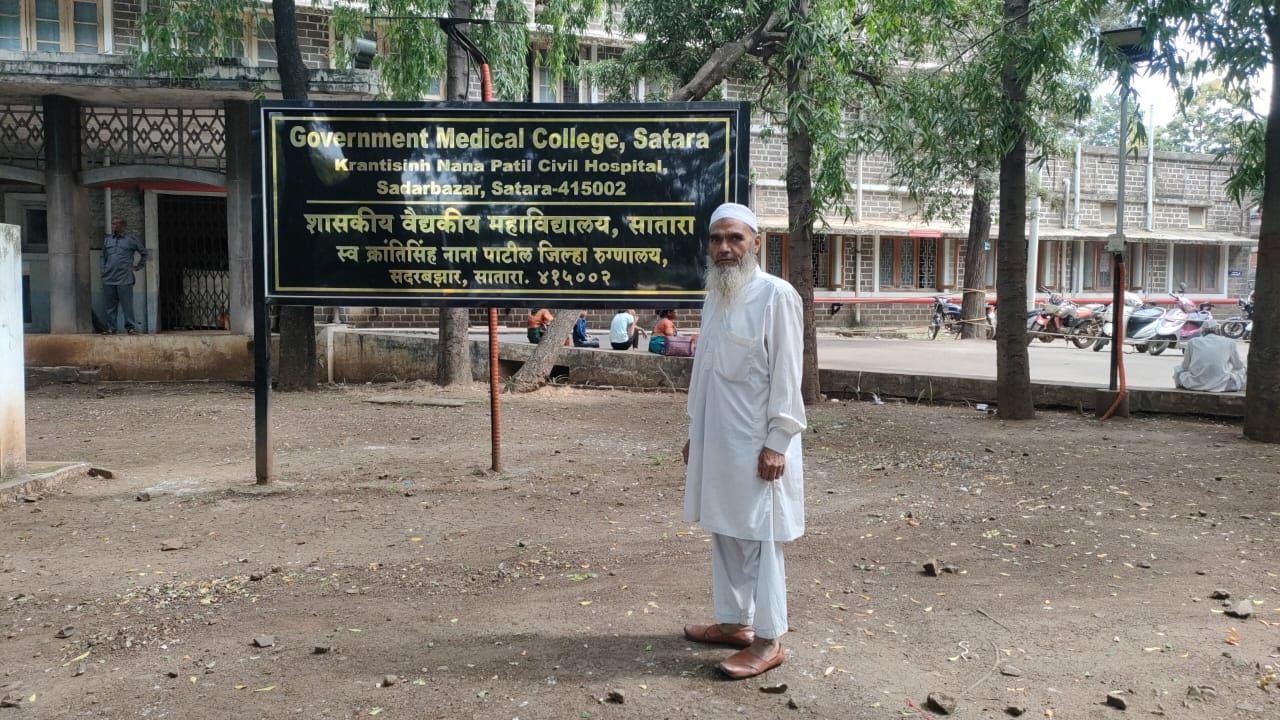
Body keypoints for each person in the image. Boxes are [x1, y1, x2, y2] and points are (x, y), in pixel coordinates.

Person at [680, 202, 805, 680]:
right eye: (716, 239)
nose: (724, 248)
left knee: (761, 535)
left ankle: (770, 642)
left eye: (734, 238)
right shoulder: (715, 295)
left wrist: (778, 441)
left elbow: (788, 377)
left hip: (759, 446)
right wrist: (696, 433)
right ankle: (736, 623)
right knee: (726, 528)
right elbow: (705, 373)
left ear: (757, 241)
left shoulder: (777, 296)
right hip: (719, 440)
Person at [100, 217, 148, 335]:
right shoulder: (108, 240)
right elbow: (103, 256)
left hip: (124, 278)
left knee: (127, 305)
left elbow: (144, 253)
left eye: (116, 224)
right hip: (109, 278)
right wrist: (103, 270)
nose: (114, 226)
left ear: (123, 226)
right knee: (110, 306)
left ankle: (130, 328)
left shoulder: (131, 239)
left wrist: (137, 267)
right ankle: (111, 328)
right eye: (113, 224)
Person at [1173, 319, 1247, 392]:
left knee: (1178, 369)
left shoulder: (1192, 342)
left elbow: (1185, 366)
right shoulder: (1230, 342)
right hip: (1222, 385)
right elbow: (1238, 366)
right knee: (1242, 369)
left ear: (1203, 331)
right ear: (1218, 331)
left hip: (1194, 384)